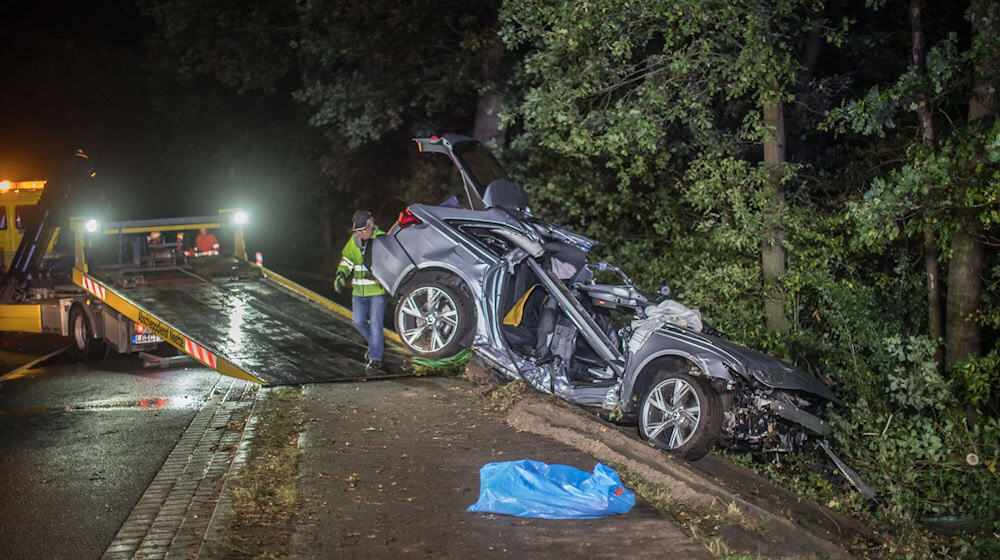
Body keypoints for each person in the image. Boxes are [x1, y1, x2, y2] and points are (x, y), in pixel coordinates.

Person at [335, 210, 387, 372]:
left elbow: (390, 262)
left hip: (377, 291)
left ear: (371, 224)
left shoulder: (382, 238)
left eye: (363, 230)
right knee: (357, 321)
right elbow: (347, 260)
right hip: (358, 291)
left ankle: (375, 358)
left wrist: (378, 273)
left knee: (376, 324)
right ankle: (375, 345)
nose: (361, 233)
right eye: (357, 230)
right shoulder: (354, 240)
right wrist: (341, 273)